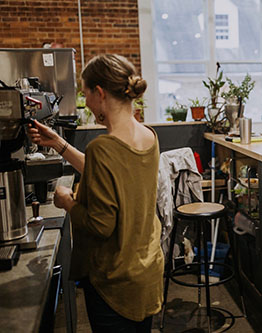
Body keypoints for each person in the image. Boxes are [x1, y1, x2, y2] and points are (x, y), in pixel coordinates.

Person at [28, 54, 164, 332]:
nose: (86, 102)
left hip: (114, 279)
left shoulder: (103, 148)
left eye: (85, 93)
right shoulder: (148, 136)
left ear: (99, 93)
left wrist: (67, 201)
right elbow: (113, 172)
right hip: (146, 270)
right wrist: (58, 143)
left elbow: (100, 226)